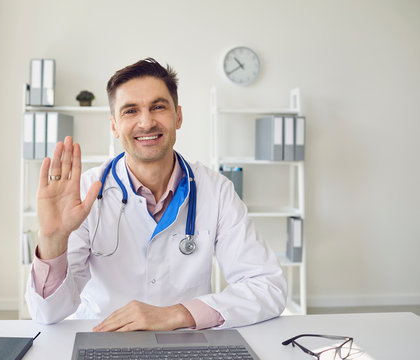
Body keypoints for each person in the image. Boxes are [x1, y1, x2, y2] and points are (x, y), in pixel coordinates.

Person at [26, 58, 287, 331]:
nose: (146, 122)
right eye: (130, 111)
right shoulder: (86, 192)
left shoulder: (216, 190)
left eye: (158, 107)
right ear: (114, 126)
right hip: (104, 341)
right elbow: (47, 313)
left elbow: (267, 286)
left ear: (178, 116)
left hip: (187, 340)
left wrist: (178, 315)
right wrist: (53, 243)